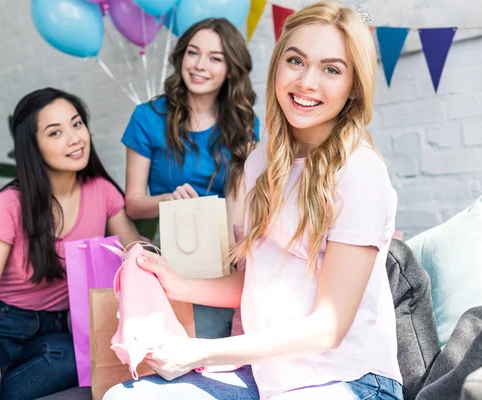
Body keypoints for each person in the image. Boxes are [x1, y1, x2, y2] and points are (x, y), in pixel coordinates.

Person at [104, 2, 403, 399]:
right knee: (125, 396)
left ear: (354, 87)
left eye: (331, 69)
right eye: (296, 60)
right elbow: (260, 280)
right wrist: (179, 284)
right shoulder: (263, 160)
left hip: (351, 379)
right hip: (270, 376)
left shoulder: (359, 171)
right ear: (277, 65)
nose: (307, 82)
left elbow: (328, 328)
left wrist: (201, 352)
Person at [0, 88, 141, 400]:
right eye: (55, 132)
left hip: (57, 334)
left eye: (77, 124)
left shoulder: (101, 191)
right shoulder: (10, 204)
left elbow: (137, 253)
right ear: (33, 146)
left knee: (79, 360)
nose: (74, 138)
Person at [122, 17, 260, 340]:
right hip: (176, 251)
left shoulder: (243, 121)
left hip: (230, 250)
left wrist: (236, 257)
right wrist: (167, 200)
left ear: (231, 68)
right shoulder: (147, 118)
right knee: (192, 339)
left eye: (215, 58)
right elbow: (133, 204)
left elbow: (243, 194)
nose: (200, 66)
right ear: (181, 56)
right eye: (193, 53)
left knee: (236, 338)